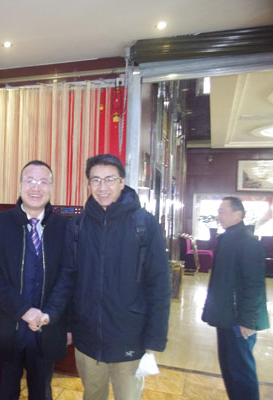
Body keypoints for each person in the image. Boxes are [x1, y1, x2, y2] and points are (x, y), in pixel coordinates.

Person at [66, 154, 170, 400]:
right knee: (92, 395)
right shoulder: (78, 226)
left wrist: (154, 338)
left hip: (129, 338)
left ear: (122, 182)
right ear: (88, 184)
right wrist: (68, 327)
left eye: (110, 179)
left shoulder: (144, 224)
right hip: (87, 338)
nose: (102, 187)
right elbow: (69, 281)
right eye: (96, 180)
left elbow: (159, 285)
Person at [0, 160, 74, 400]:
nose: (36, 187)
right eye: (30, 181)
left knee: (42, 392)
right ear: (19, 186)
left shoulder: (66, 228)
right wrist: (24, 311)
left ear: (51, 188)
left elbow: (68, 277)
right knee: (5, 392)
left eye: (43, 182)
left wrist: (53, 316)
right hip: (6, 326)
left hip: (46, 327)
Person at [202, 197, 269, 400]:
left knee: (241, 373)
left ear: (238, 215)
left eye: (222, 211)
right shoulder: (227, 239)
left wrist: (247, 320)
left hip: (239, 320)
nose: (218, 216)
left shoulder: (248, 243)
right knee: (229, 369)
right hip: (225, 316)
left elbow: (254, 286)